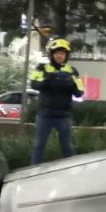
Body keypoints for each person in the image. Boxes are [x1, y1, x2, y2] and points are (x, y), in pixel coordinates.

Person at [30, 36, 85, 164]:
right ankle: (32, 172)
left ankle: (71, 172)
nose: (60, 56)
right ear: (51, 54)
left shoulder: (72, 71)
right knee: (39, 146)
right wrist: (49, 79)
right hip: (45, 114)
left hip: (64, 115)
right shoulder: (42, 68)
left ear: (66, 55)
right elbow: (34, 84)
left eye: (63, 53)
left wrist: (70, 84)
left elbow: (79, 92)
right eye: (57, 53)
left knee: (68, 148)